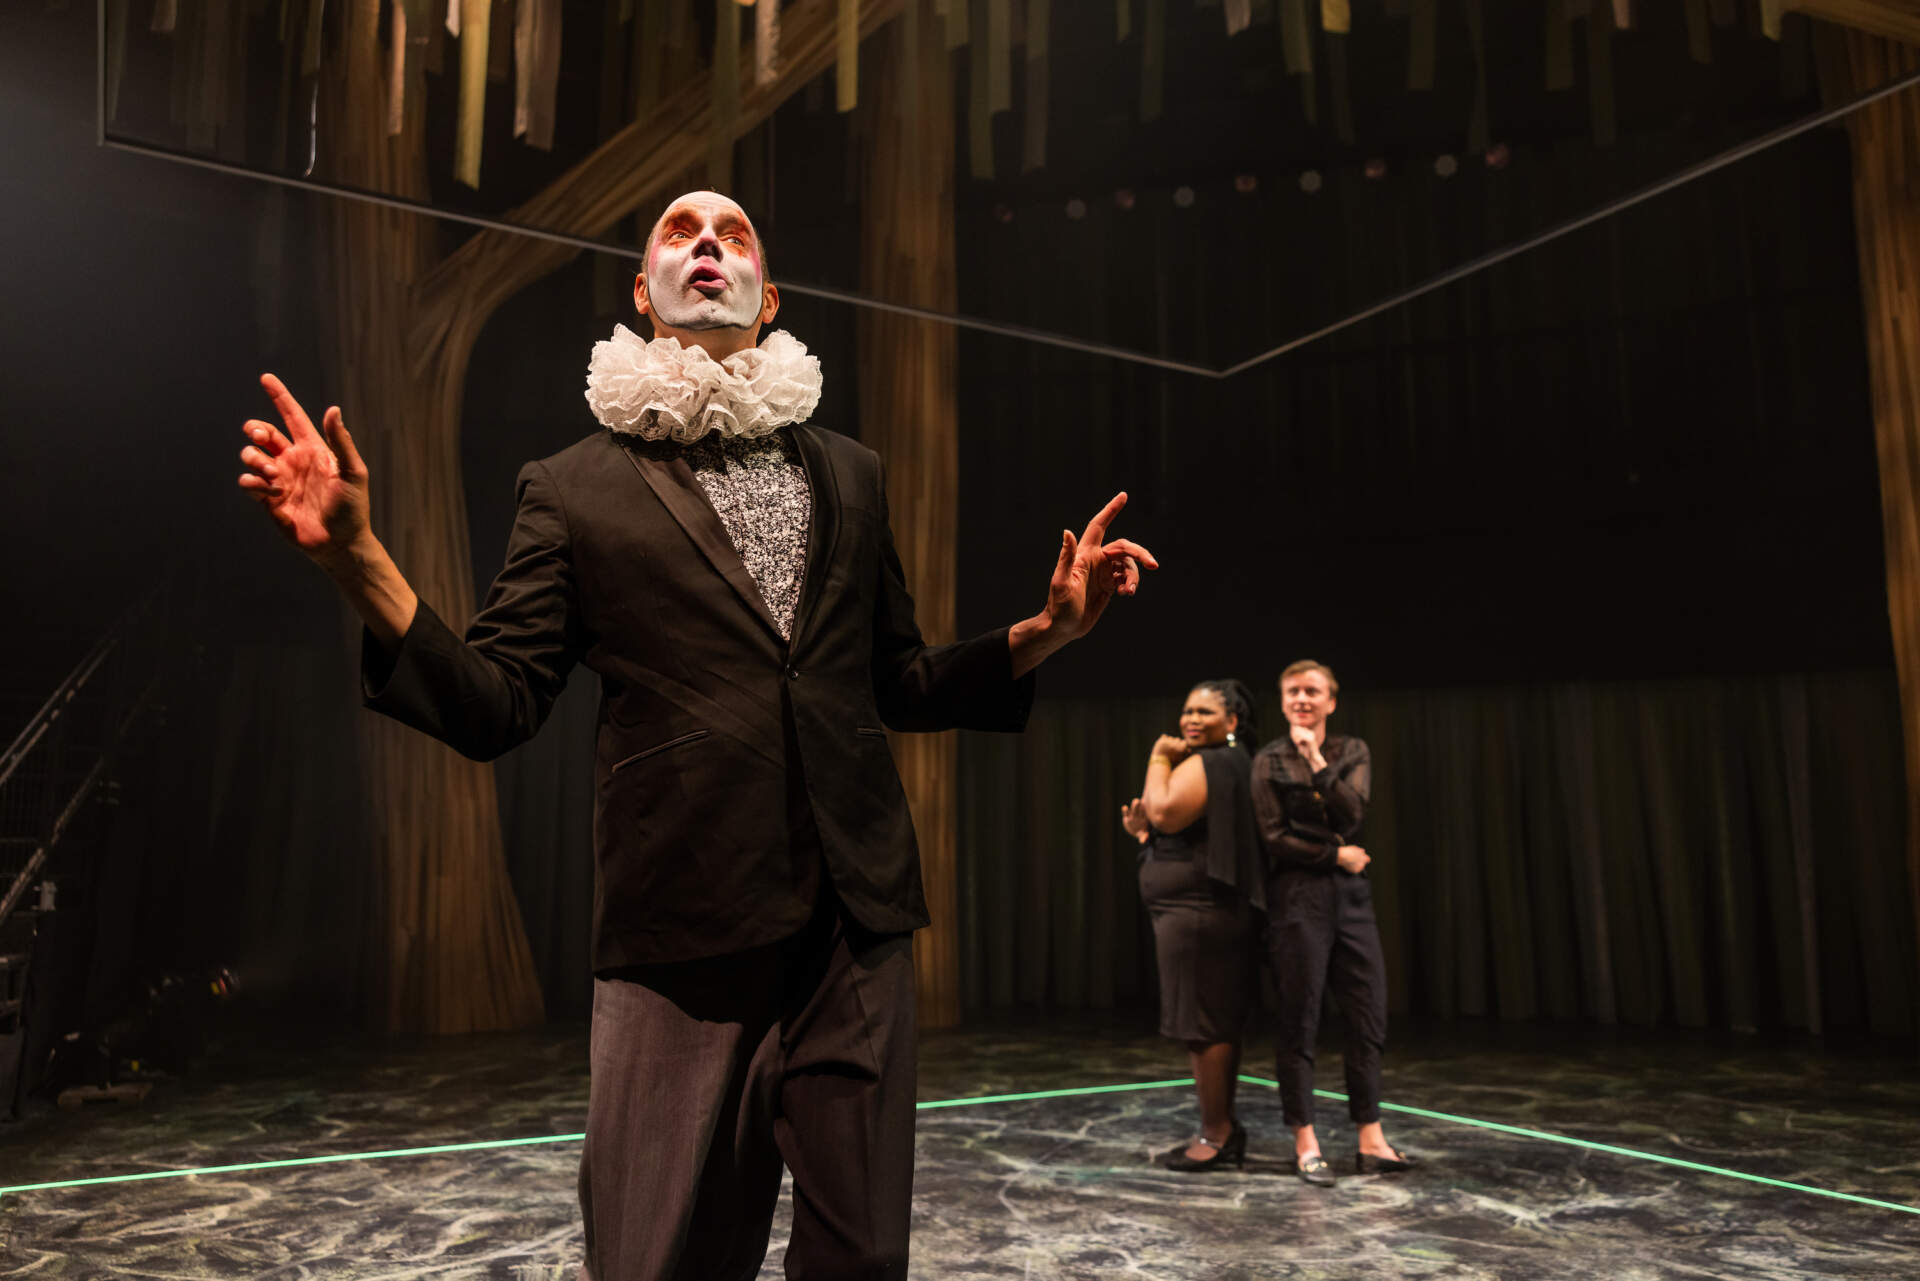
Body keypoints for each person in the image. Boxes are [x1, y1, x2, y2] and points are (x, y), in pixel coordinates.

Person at [235, 190, 1158, 1281]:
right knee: (655, 1257)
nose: (708, 242)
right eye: (679, 231)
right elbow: (495, 702)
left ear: (770, 299)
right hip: (678, 933)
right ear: (642, 293)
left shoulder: (851, 473)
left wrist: (1044, 632)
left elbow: (895, 683)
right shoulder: (571, 487)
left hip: (852, 927)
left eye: (734, 233)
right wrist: (358, 562)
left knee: (864, 1258)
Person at [1251, 659, 1415, 1188]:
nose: (1302, 698)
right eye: (1293, 691)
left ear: (1331, 700)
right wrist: (1334, 857)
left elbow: (1352, 816)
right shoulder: (1267, 760)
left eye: (1312, 691)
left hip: (1352, 899)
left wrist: (1317, 761)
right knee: (1300, 1017)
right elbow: (1273, 837)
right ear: (1282, 701)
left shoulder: (1351, 752)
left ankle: (1370, 1135)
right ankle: (1306, 1140)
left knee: (1368, 1013)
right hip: (1298, 897)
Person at [1121, 679, 1264, 1172]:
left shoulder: (1213, 760)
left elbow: (1163, 809)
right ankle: (1220, 1126)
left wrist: (1160, 756)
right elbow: (1171, 825)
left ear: (1233, 722)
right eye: (1187, 711)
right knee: (1209, 1019)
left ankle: (1217, 1132)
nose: (1191, 720)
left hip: (1201, 914)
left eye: (1205, 711)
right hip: (1202, 911)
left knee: (1204, 1023)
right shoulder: (1230, 762)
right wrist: (1147, 834)